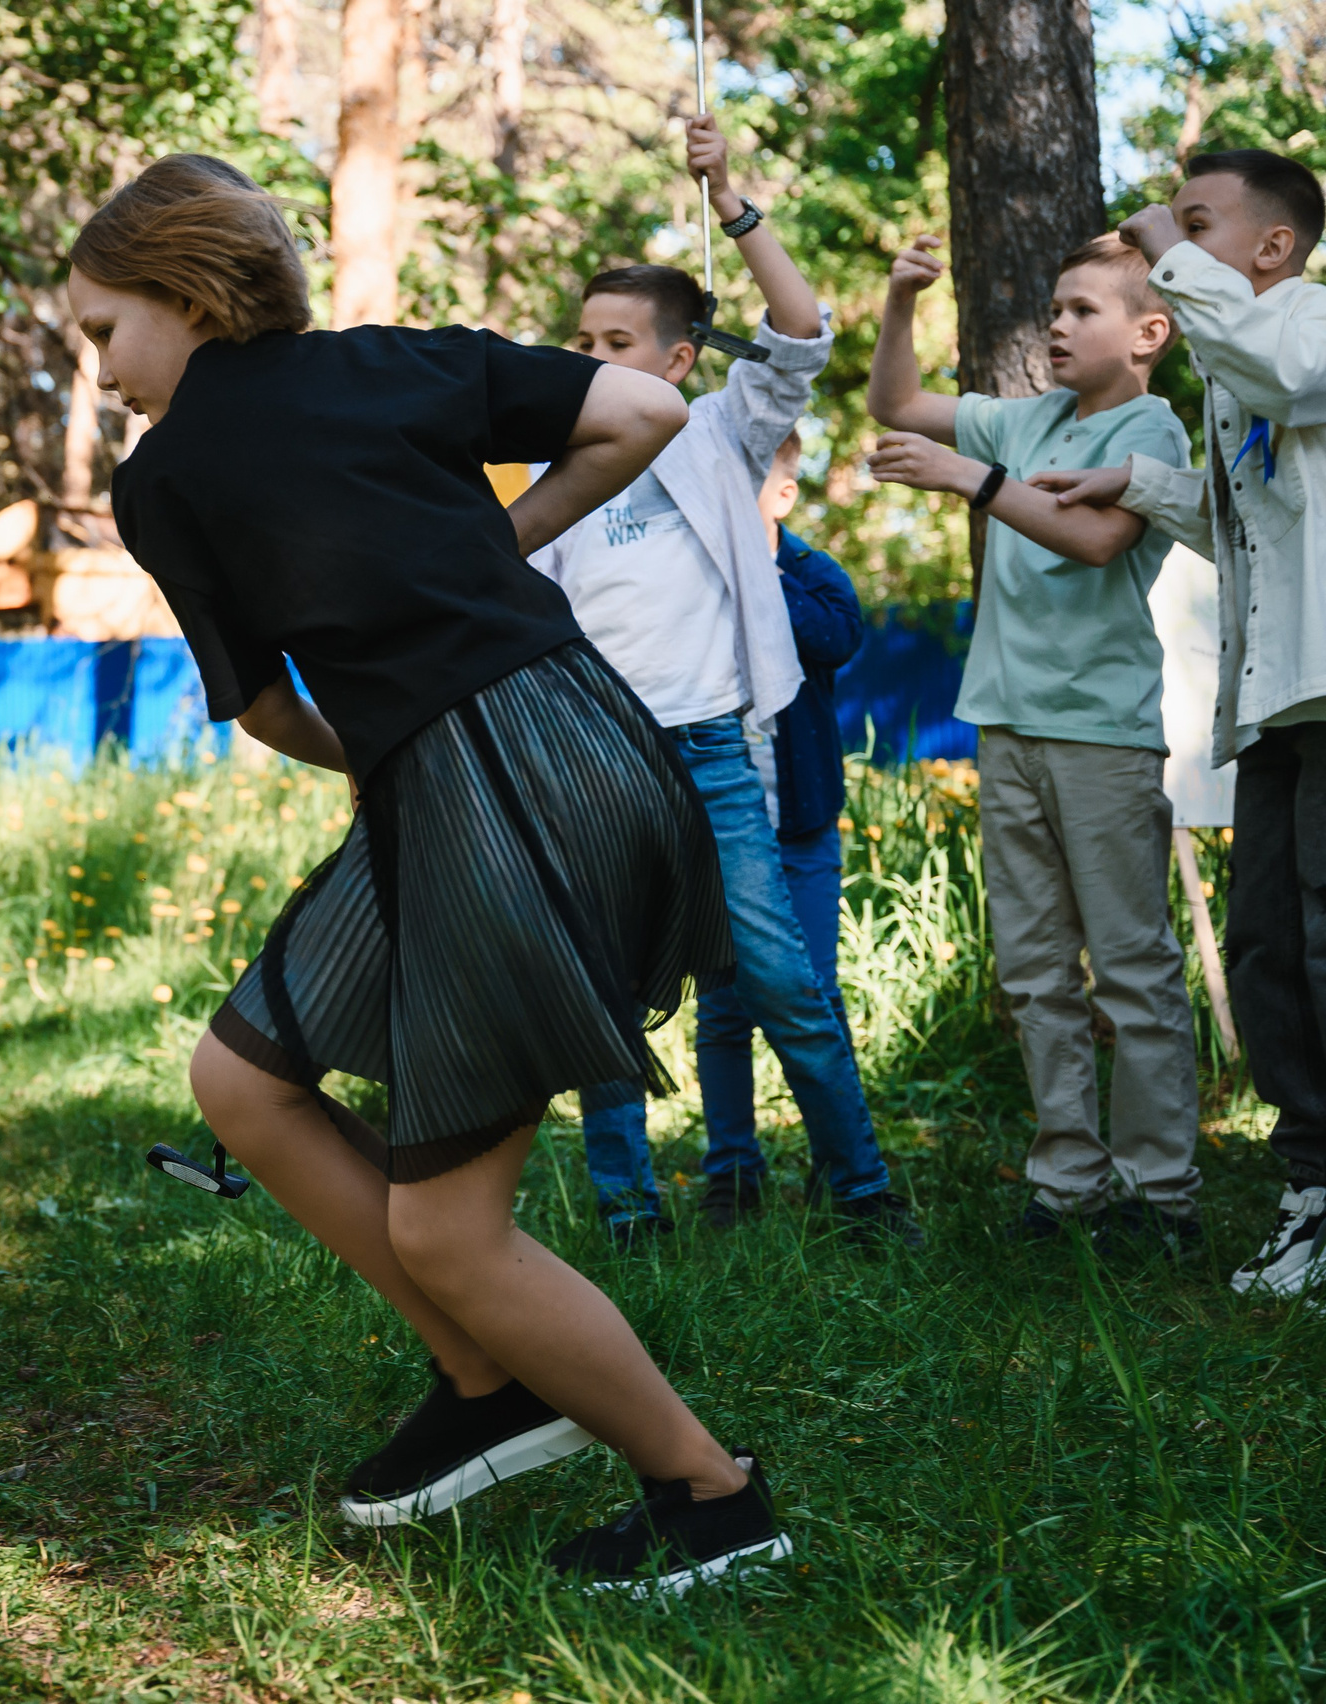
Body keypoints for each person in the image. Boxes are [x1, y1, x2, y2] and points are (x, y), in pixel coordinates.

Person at [74, 153, 789, 1593]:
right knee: (243, 1083)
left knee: (447, 1230)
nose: (102, 375)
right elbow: (647, 409)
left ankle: (713, 1498)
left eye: (103, 333)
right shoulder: (396, 364)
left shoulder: (165, 478)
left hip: (494, 792)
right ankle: (488, 1385)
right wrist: (498, 547)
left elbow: (267, 708)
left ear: (184, 290)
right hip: (578, 745)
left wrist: (405, 722)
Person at [529, 117, 919, 1246]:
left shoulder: (715, 438)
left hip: (714, 755)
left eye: (617, 342)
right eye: (583, 340)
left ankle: (862, 1197)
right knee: (603, 1000)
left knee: (782, 987)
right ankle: (626, 1215)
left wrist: (729, 201)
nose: (592, 358)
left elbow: (798, 330)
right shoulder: (555, 475)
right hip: (596, 763)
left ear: (676, 362)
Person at [866, 232, 1204, 1251]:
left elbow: (1099, 537)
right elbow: (894, 405)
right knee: (1033, 974)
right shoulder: (1032, 417)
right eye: (1052, 310)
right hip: (1006, 728)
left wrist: (969, 481)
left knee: (1132, 969)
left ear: (1149, 333)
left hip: (1099, 735)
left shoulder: (1154, 431)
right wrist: (898, 301)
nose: (1054, 325)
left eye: (1080, 312)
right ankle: (1067, 1188)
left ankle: (1159, 1197)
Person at [1037, 150, 1326, 1295]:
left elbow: (1278, 368)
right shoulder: (1238, 366)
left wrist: (1158, 244)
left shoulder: (1301, 330)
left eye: (1195, 225)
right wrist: (1141, 490)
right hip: (1276, 704)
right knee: (1263, 944)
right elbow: (1250, 530)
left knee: (1320, 939)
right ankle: (1310, 1185)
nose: (1168, 244)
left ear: (1272, 248)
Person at [696, 434, 867, 1188]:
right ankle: (734, 1169)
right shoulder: (690, 579)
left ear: (783, 495)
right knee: (725, 1010)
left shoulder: (808, 573)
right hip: (716, 835)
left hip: (798, 832)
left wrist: (758, 568)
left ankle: (843, 1166)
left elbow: (835, 639)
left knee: (815, 995)